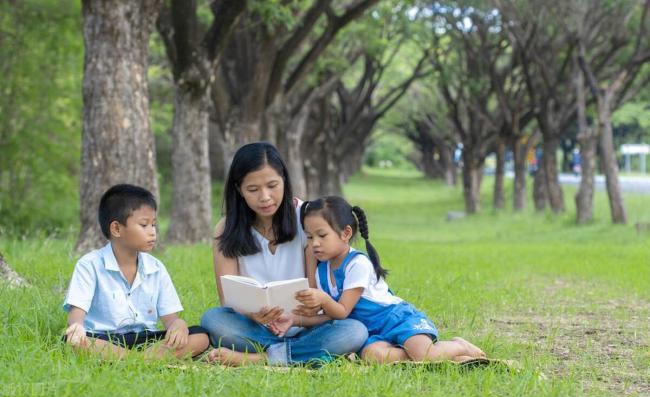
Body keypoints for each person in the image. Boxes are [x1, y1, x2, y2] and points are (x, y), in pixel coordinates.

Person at [201, 142, 368, 366]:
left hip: (306, 326)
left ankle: (260, 358)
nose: (265, 197)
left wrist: (304, 312)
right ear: (239, 189)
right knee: (213, 319)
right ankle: (300, 354)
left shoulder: (306, 218)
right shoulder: (226, 228)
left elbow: (317, 289)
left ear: (284, 181)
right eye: (253, 190)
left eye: (272, 185)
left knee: (354, 331)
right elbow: (227, 299)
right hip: (256, 328)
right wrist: (253, 315)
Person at [268, 195, 486, 364]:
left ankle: (459, 347)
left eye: (321, 236)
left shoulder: (357, 264)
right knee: (373, 357)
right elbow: (325, 314)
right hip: (371, 331)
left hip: (397, 320)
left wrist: (322, 298)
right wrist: (294, 319)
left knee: (423, 354)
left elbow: (341, 311)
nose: (314, 243)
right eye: (309, 237)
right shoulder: (322, 270)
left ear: (345, 233)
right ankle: (438, 356)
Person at [63, 184, 210, 359]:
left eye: (154, 225)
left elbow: (171, 319)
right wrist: (77, 327)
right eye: (144, 225)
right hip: (104, 337)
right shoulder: (89, 264)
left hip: (146, 338)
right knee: (73, 340)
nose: (153, 232)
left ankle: (133, 360)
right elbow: (76, 317)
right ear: (116, 229)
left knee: (200, 336)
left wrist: (179, 325)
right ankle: (144, 360)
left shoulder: (156, 268)